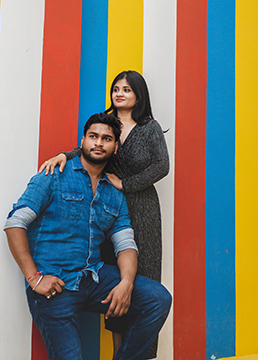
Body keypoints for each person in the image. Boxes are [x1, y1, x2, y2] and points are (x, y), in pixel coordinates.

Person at [5, 113, 171, 360]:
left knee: (157, 298)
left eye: (107, 139)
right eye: (93, 136)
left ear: (115, 148)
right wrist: (34, 278)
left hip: (93, 278)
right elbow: (15, 223)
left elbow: (126, 244)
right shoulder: (54, 174)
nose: (99, 142)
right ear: (82, 141)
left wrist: (126, 283)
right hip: (55, 284)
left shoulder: (114, 192)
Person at [39, 71, 169, 358]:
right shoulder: (107, 123)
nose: (119, 93)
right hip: (108, 207)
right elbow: (90, 147)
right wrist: (64, 155)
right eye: (116, 88)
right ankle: (117, 352)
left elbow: (162, 166)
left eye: (127, 89)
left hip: (143, 211)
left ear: (139, 95)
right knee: (115, 277)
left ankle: (139, 355)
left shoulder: (149, 127)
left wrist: (127, 184)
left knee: (143, 279)